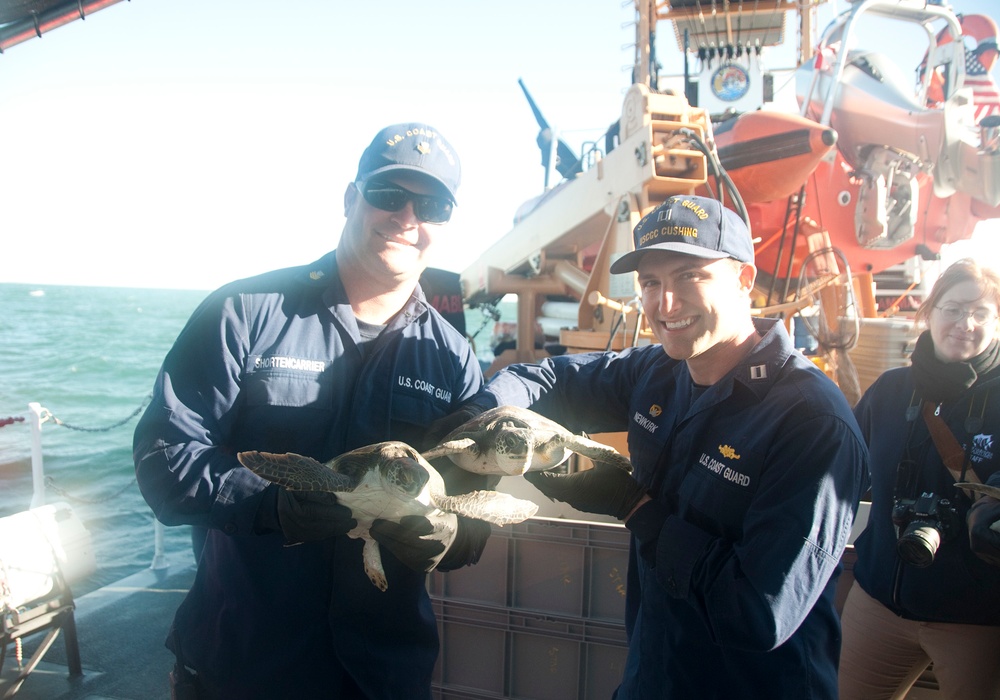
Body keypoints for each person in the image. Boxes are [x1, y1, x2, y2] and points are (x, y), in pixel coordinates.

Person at [428, 194, 867, 699]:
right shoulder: (659, 372)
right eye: (651, 283)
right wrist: (476, 418)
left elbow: (758, 612)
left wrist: (632, 505)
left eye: (689, 277)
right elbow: (546, 378)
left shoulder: (811, 421)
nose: (666, 304)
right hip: (653, 674)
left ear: (744, 279)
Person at [133, 123, 493, 699]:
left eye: (430, 204)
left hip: (383, 675)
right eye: (387, 194)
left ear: (446, 222)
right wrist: (271, 503)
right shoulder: (245, 313)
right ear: (351, 198)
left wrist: (449, 535)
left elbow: (468, 515)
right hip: (245, 663)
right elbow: (164, 459)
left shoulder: (451, 359)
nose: (407, 217)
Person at [839, 258, 1000, 700]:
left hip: (975, 618)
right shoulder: (891, 390)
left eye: (982, 313)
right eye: (953, 308)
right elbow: (842, 469)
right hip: (878, 603)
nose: (965, 323)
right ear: (929, 312)